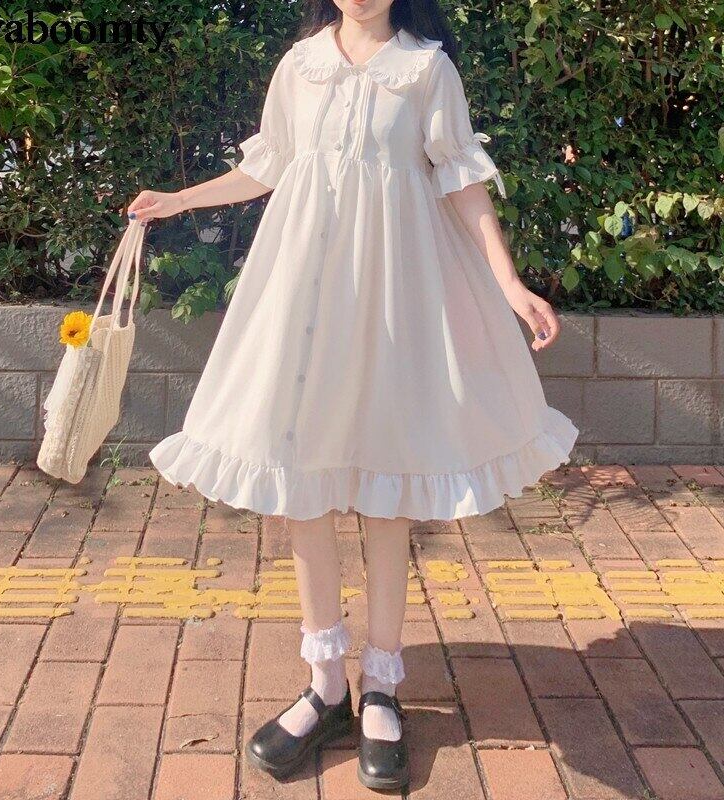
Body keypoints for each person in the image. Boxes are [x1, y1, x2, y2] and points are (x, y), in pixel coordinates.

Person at [128, 0, 578, 790]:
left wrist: (510, 284)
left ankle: (382, 686)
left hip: (394, 303)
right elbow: (270, 165)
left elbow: (463, 181)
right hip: (302, 299)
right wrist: (179, 199)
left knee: (386, 484)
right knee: (299, 481)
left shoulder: (425, 69)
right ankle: (325, 683)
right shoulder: (301, 65)